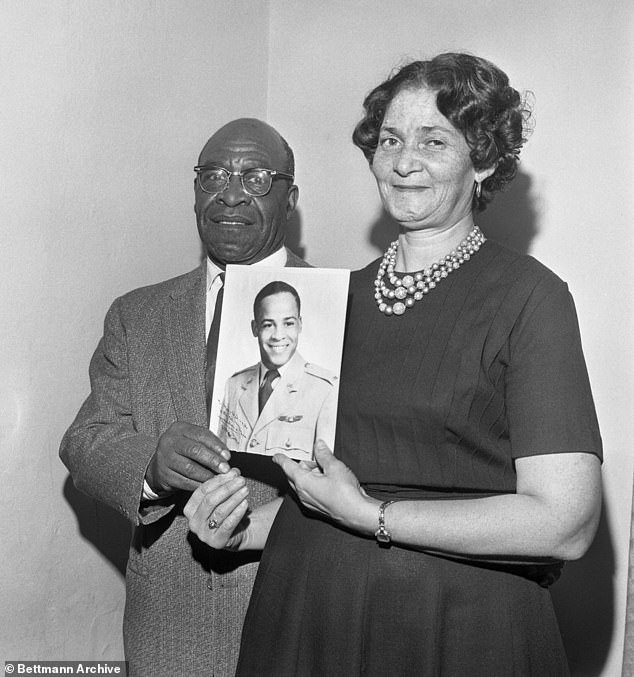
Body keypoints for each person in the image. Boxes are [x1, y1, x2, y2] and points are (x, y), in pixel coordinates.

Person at [185, 54, 603, 676]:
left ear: (484, 161)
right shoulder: (328, 300)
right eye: (390, 140)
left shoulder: (529, 298)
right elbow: (327, 496)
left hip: (456, 630)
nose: (404, 162)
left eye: (434, 141)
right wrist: (239, 526)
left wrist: (371, 517)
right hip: (308, 620)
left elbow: (564, 523)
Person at [59, 118, 309, 677]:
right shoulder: (137, 314)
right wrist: (150, 467)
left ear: (290, 197)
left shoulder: (346, 309)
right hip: (173, 622)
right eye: (212, 175)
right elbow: (87, 439)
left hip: (305, 609)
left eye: (255, 177)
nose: (230, 193)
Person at [218, 280, 338, 457]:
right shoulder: (234, 385)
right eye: (268, 324)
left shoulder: (324, 390)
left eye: (288, 323)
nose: (278, 335)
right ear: (254, 328)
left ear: (300, 324)